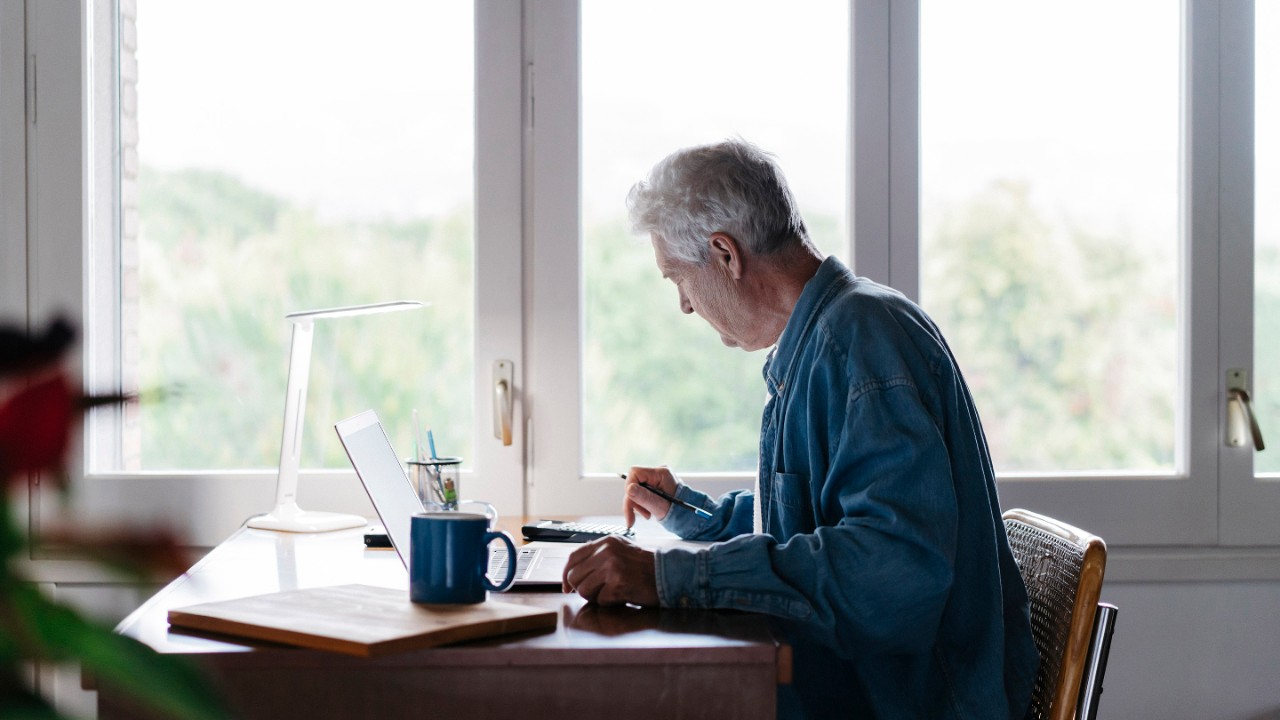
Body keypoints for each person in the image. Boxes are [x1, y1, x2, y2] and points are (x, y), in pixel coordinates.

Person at [560, 139, 1039, 719]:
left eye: (676, 279)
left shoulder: (860, 343)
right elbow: (808, 526)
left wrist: (671, 576)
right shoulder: (830, 336)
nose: (684, 306)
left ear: (725, 255)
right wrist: (692, 513)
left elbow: (891, 570)